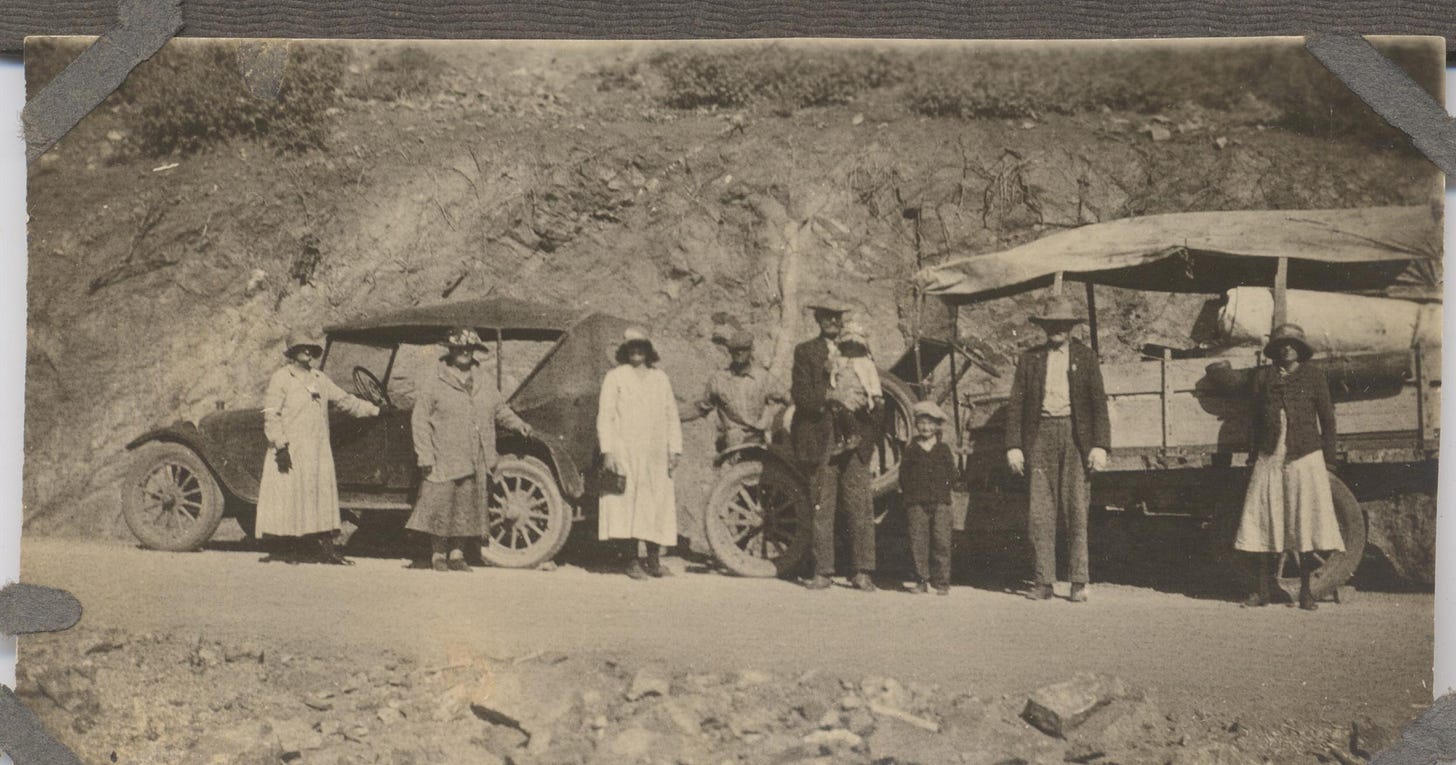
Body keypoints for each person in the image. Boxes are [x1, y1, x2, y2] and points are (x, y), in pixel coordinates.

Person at [1006, 295, 1110, 603]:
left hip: (1076, 436)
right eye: (1052, 325)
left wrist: (1100, 446)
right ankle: (1043, 581)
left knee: (1076, 507)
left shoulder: (1086, 357)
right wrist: (1014, 446)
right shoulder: (1030, 359)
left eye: (1063, 325)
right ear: (1043, 327)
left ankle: (1079, 581)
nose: (1057, 330)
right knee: (1040, 511)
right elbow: (1017, 405)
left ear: (1071, 327)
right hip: (1040, 435)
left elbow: (1098, 404)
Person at [1234, 323, 1343, 611]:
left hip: (1305, 455)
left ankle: (1306, 592)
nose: (1287, 348)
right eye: (1282, 344)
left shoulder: (1314, 376)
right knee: (1262, 519)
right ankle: (1262, 591)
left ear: (1301, 349)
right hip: (1270, 455)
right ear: (1275, 350)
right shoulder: (1263, 378)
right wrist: (1252, 456)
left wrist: (1329, 459)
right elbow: (1255, 420)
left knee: (1304, 520)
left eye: (1292, 344)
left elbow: (1328, 420)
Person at [408, 328, 534, 572]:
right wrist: (425, 454)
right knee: (440, 503)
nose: (464, 352)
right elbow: (419, 419)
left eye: (469, 348)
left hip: (476, 453)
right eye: (459, 348)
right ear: (451, 350)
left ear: (474, 351)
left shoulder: (483, 380)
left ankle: (457, 555)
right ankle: (437, 554)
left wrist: (518, 424)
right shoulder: (434, 379)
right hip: (443, 453)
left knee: (467, 504)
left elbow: (499, 409)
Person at [257, 332, 381, 564]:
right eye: (302, 347)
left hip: (317, 448)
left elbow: (345, 401)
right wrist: (280, 445)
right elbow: (271, 414)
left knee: (320, 496)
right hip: (291, 448)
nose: (307, 351)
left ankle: (327, 550)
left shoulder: (319, 378)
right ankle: (291, 548)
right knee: (291, 495)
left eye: (310, 348)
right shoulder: (282, 378)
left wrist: (375, 410)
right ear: (292, 351)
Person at [792, 296, 877, 592]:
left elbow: (875, 393)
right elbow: (801, 395)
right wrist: (831, 397)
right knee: (822, 506)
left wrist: (867, 431)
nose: (833, 322)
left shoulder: (861, 351)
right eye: (827, 317)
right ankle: (823, 571)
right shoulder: (805, 352)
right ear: (817, 319)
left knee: (860, 506)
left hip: (856, 441)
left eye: (837, 317)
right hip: (821, 438)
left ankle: (862, 571)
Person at [598, 328, 684, 580]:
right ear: (625, 350)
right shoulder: (615, 377)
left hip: (656, 453)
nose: (636, 351)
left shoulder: (660, 379)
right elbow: (605, 416)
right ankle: (631, 560)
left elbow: (671, 415)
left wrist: (674, 449)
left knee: (656, 504)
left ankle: (654, 560)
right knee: (628, 505)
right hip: (625, 451)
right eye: (632, 347)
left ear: (648, 351)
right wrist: (608, 451)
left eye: (641, 347)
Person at [681, 330, 774, 452]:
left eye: (744, 348)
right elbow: (701, 409)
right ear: (729, 351)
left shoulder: (763, 378)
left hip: (760, 439)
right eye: (735, 349)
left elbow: (783, 399)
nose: (740, 352)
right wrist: (674, 417)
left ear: (751, 350)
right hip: (733, 441)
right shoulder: (719, 380)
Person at [900, 401, 958, 595]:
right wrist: (910, 496)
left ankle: (942, 583)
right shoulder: (911, 450)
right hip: (916, 503)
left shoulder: (943, 450)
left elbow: (953, 474)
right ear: (916, 424)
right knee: (918, 542)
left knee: (942, 542)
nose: (926, 427)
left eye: (931, 423)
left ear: (937, 426)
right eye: (922, 423)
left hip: (941, 503)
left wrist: (943, 491)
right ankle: (921, 580)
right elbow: (903, 476)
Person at [828, 321, 883, 456]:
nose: (851, 351)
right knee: (834, 408)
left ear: (861, 347)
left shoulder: (866, 363)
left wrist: (876, 396)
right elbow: (833, 375)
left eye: (855, 347)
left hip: (858, 393)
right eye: (847, 347)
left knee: (844, 405)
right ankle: (840, 440)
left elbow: (874, 381)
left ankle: (853, 434)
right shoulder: (840, 361)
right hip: (840, 392)